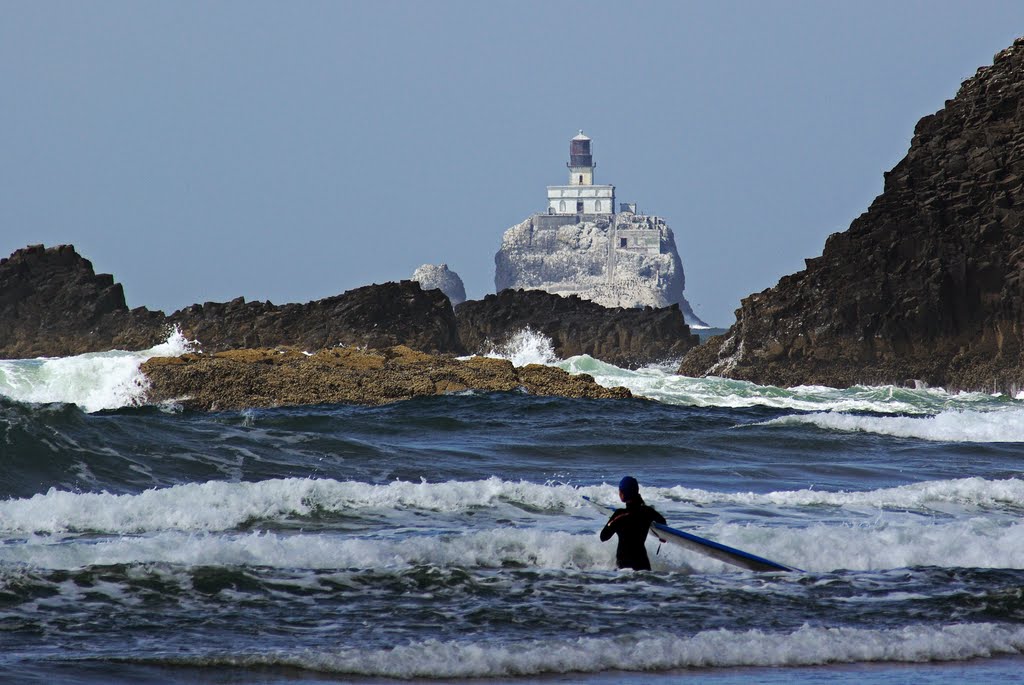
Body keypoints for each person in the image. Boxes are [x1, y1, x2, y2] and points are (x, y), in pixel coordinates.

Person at [599, 476, 666, 570]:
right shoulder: (648, 512)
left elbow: (603, 537)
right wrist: (662, 537)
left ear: (622, 494)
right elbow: (662, 521)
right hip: (643, 565)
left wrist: (612, 521)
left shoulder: (619, 515)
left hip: (624, 567)